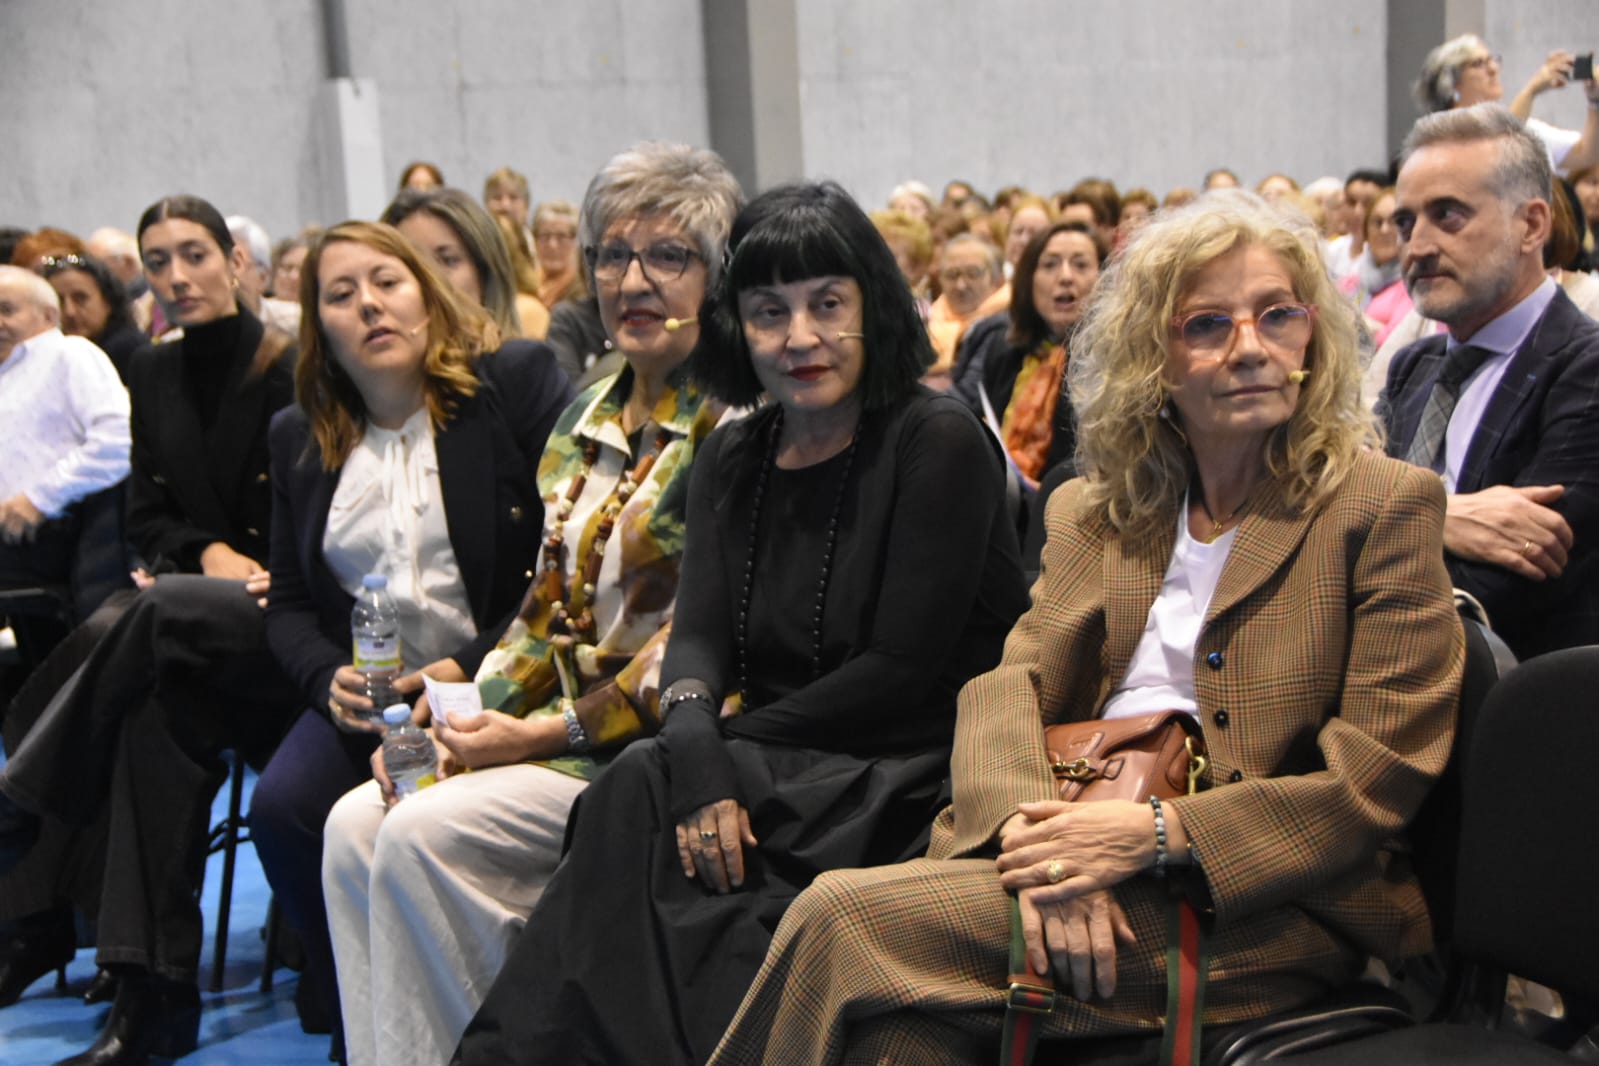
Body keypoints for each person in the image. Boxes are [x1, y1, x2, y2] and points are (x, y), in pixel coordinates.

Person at [707, 188, 1463, 1066]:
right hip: (1070, 848)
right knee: (894, 1035)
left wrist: (1149, 839)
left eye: (1277, 316)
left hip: (1263, 904)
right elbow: (1004, 688)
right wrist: (1043, 849)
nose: (1250, 347)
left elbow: (1373, 780)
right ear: (1154, 361)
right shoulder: (1098, 510)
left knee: (840, 916)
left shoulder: (1380, 510)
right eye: (1207, 325)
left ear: (1313, 339)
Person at [452, 180, 1030, 1066]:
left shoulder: (935, 438)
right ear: (737, 329)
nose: (799, 338)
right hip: (775, 760)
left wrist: (713, 753)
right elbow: (698, 642)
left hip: (902, 769)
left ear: (872, 308)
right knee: (639, 793)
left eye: (826, 305)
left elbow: (900, 669)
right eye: (768, 312)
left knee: (645, 802)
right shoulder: (731, 451)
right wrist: (697, 745)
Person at [320, 141, 742, 1066]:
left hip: (653, 752)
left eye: (667, 256)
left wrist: (536, 737)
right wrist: (463, 708)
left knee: (426, 833)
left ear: (716, 278)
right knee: (355, 825)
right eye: (609, 255)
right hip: (551, 737)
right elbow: (540, 613)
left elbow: (707, 640)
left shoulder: (737, 425)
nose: (632, 280)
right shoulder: (586, 412)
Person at [246, 219, 572, 1051]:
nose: (369, 306)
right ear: (317, 324)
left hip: (499, 669)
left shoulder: (509, 386)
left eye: (387, 283)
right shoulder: (298, 436)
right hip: (373, 692)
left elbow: (554, 564)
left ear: (427, 294)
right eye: (340, 294)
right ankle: (353, 1015)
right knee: (284, 808)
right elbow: (285, 604)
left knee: (410, 826)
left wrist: (463, 664)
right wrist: (327, 678)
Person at [0, 194, 301, 1063]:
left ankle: (20, 804)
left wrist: (241, 563)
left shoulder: (296, 367)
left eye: (195, 255)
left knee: (141, 610)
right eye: (159, 260)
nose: (176, 276)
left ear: (237, 265)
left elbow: (323, 510)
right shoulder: (153, 374)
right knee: (149, 718)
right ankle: (153, 995)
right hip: (195, 628)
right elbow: (146, 515)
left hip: (287, 627)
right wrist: (205, 549)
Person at [1382, 103, 1599, 659]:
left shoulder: (1585, 368)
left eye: (1448, 215)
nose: (1418, 246)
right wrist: (1441, 515)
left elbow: (1506, 581)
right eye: (1405, 222)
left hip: (1518, 713)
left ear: (1531, 225)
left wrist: (1381, 521)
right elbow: (1311, 503)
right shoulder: (1415, 366)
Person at [0, 266, 130, 603]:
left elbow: (118, 442)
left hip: (54, 531)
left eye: (7, 310)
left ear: (49, 314)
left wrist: (40, 498)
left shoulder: (71, 354)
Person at [952, 221, 1106, 490]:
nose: (1065, 276)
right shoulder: (1005, 348)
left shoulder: (1111, 360)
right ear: (1029, 279)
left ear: (1105, 278)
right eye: (1050, 265)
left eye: (1080, 265)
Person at [1415, 34, 1599, 177]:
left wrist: (1594, 100)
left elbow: (1587, 153)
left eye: (1492, 59)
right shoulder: (1445, 133)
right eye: (1479, 63)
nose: (1494, 69)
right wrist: (1531, 89)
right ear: (1450, 82)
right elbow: (1498, 145)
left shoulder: (1526, 128)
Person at [381, 187, 532, 340]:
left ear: (485, 275)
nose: (429, 278)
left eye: (448, 260)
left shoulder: (520, 361)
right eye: (412, 266)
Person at [36, 252, 146, 381]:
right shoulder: (47, 353)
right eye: (59, 301)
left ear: (108, 301)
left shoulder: (129, 350)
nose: (70, 312)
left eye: (80, 298)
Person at [925, 233, 1007, 381]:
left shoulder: (1005, 328)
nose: (961, 285)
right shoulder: (926, 321)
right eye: (952, 275)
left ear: (996, 280)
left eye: (972, 274)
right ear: (940, 280)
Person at [530, 200, 587, 310]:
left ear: (576, 240)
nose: (552, 245)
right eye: (545, 236)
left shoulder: (584, 292)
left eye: (562, 236)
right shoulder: (526, 286)